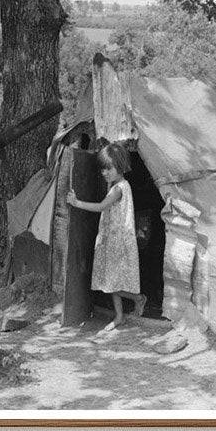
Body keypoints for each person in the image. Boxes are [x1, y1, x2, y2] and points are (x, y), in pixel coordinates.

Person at [67, 141, 146, 329]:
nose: (104, 173)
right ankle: (119, 316)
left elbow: (102, 206)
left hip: (118, 240)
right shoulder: (117, 185)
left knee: (112, 281)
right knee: (111, 278)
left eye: (108, 169)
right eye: (103, 169)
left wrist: (76, 203)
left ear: (120, 166)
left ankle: (139, 298)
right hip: (111, 239)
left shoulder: (119, 189)